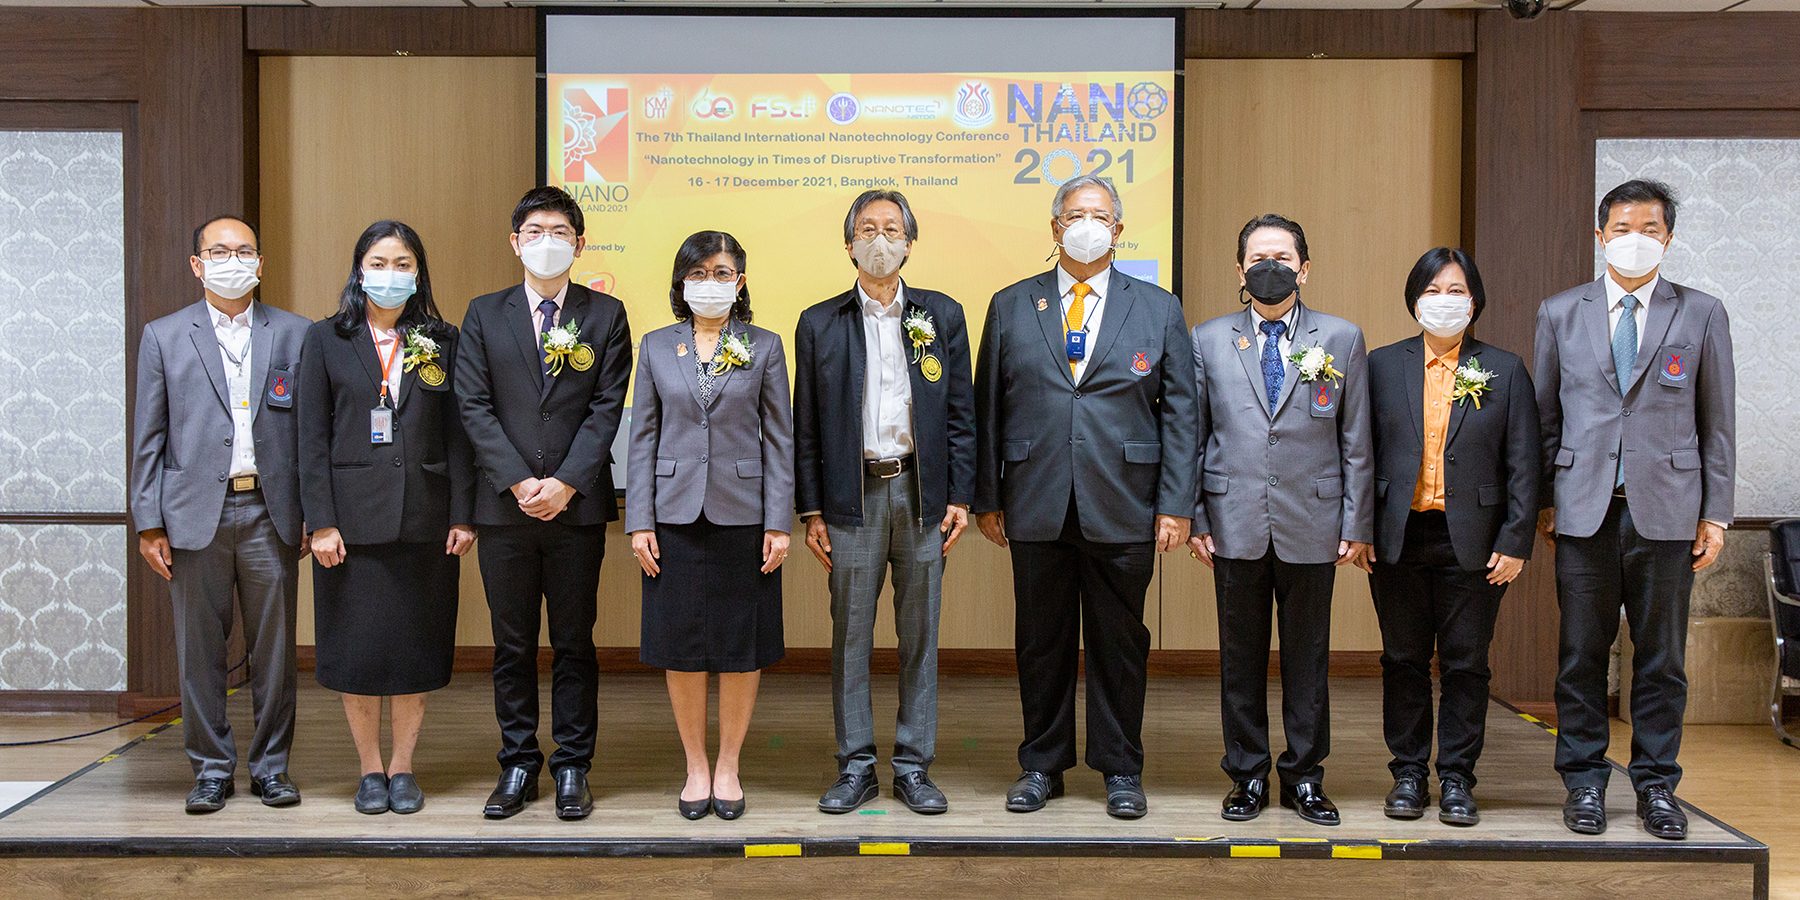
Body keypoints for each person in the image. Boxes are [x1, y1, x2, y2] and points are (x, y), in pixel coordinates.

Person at [974, 175, 1197, 820]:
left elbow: (1181, 415)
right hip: (1034, 499)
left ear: (1119, 231)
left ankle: (1120, 767)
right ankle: (1041, 765)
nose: (1087, 225)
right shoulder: (1012, 304)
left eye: (1099, 216)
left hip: (1126, 501)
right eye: (1074, 215)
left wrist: (1175, 505)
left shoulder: (1158, 308)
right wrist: (988, 497)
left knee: (1118, 644)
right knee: (1040, 642)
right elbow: (989, 408)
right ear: (1055, 228)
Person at [1536, 179, 1735, 840]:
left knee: (1661, 660)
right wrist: (1544, 501)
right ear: (1601, 236)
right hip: (1583, 512)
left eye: (1650, 228)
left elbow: (1718, 423)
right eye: (1623, 228)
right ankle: (1584, 782)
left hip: (1669, 513)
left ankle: (1655, 786)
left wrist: (1716, 514)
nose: (1635, 239)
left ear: (1668, 239)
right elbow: (1545, 417)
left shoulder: (1701, 313)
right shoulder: (1560, 312)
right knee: (1580, 655)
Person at [1188, 214, 1373, 827]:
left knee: (1308, 659)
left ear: (1304, 268)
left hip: (1315, 521)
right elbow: (1194, 437)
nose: (1271, 267)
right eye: (1258, 258)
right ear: (1240, 270)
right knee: (1239, 658)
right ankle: (1246, 774)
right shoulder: (1208, 338)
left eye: (1284, 258)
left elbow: (1356, 440)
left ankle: (1304, 777)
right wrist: (1196, 516)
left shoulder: (1341, 337)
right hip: (1231, 519)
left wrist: (1356, 523)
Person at [794, 190, 975, 816]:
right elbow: (806, 424)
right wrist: (812, 510)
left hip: (923, 494)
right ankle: (856, 767)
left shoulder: (941, 315)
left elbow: (961, 414)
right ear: (849, 245)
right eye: (867, 229)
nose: (880, 239)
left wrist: (960, 496)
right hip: (852, 496)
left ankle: (914, 765)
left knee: (920, 633)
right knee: (850, 635)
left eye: (892, 229)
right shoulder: (820, 322)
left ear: (909, 243)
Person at [457, 186, 632, 820]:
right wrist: (515, 480)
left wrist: (565, 483)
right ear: (515, 242)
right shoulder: (483, 314)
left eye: (559, 232)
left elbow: (606, 407)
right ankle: (517, 762)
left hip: (575, 509)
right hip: (503, 509)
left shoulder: (606, 314)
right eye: (534, 231)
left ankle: (573, 765)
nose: (547, 242)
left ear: (579, 244)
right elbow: (473, 404)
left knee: (574, 642)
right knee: (511, 645)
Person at [131, 215, 310, 813]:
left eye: (244, 251)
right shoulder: (163, 336)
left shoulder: (295, 333)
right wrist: (148, 522)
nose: (233, 261)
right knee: (199, 653)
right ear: (197, 264)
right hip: (192, 514)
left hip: (271, 510)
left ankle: (271, 768)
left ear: (260, 262)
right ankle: (210, 769)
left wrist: (313, 512)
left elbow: (312, 433)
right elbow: (149, 436)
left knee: (275, 653)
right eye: (219, 251)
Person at [297, 220, 476, 815]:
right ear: (359, 270)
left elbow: (459, 435)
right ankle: (369, 769)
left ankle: (403, 767)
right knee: (358, 651)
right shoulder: (325, 338)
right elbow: (310, 438)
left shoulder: (442, 339)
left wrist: (463, 514)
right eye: (379, 263)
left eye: (403, 264)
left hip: (427, 519)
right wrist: (321, 521)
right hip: (350, 526)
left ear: (419, 273)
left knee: (413, 650)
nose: (390, 274)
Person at [1366, 248, 1540, 827]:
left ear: (1474, 300)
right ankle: (1408, 774)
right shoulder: (1381, 365)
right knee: (1403, 660)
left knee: (1466, 664)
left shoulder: (1505, 368)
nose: (1444, 301)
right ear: (1414, 300)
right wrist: (1360, 531)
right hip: (1398, 537)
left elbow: (1525, 464)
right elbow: (1358, 455)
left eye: (1456, 290)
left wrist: (1516, 541)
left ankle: (1459, 777)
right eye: (1433, 290)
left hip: (1476, 542)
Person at [626, 231, 793, 821]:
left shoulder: (764, 345)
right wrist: (639, 520)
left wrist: (779, 522)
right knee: (682, 646)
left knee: (741, 647)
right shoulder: (656, 346)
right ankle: (695, 765)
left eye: (722, 273)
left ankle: (729, 764)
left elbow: (780, 439)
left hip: (744, 515)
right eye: (698, 273)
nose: (710, 283)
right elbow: (642, 437)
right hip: (671, 516)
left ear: (739, 282)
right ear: (682, 282)